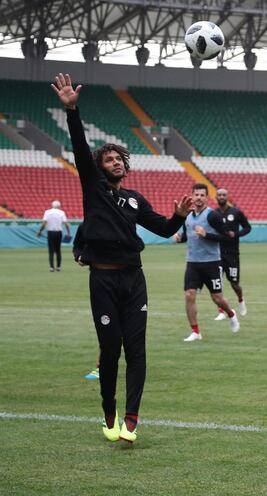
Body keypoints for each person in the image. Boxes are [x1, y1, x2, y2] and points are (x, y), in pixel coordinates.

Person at [52, 72, 192, 443]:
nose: (115, 162)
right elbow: (81, 148)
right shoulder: (94, 188)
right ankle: (108, 412)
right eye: (109, 159)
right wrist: (72, 111)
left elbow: (163, 229)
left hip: (133, 279)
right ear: (100, 167)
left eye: (118, 159)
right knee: (110, 351)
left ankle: (131, 417)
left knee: (137, 349)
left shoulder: (135, 199)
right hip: (102, 279)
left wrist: (179, 215)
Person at [175, 184, 240, 341]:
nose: (198, 197)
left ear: (207, 197)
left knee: (217, 298)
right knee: (190, 295)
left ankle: (231, 313)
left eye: (202, 195)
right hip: (192, 263)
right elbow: (186, 235)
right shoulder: (188, 216)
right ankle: (195, 332)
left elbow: (227, 236)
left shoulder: (213, 216)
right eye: (196, 195)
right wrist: (179, 238)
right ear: (192, 196)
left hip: (212, 263)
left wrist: (207, 235)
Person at [213, 188, 251, 321]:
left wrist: (236, 234)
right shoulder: (213, 213)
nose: (221, 197)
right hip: (217, 254)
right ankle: (221, 311)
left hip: (233, 254)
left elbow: (247, 227)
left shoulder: (236, 212)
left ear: (227, 197)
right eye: (219, 195)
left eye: (224, 195)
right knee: (218, 284)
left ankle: (240, 299)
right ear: (216, 197)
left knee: (234, 283)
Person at [72, 224, 100, 381]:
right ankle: (100, 367)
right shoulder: (85, 226)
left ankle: (102, 366)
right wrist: (79, 257)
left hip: (128, 279)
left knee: (124, 331)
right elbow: (77, 245)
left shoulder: (119, 222)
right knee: (108, 329)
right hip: (100, 280)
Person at [37, 200, 71, 272]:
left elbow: (44, 223)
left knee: (51, 250)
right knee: (58, 250)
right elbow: (66, 224)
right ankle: (58, 267)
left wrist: (40, 231)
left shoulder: (47, 212)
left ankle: (52, 267)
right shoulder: (61, 212)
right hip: (59, 233)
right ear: (59, 206)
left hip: (50, 232)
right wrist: (68, 233)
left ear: (52, 205)